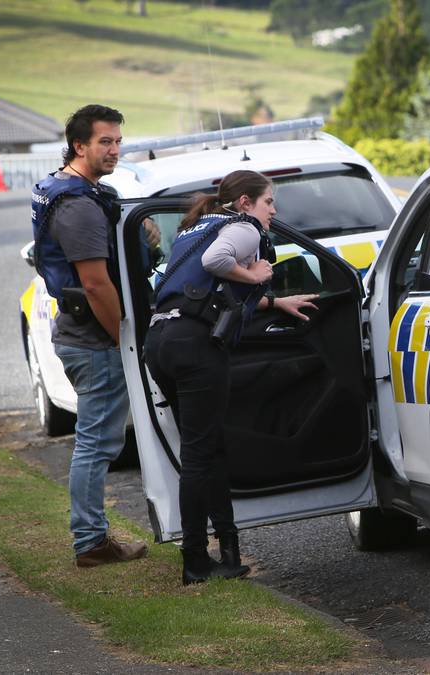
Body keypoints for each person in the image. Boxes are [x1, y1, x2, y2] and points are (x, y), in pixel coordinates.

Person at [142, 170, 317, 585]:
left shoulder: (198, 227)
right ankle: (195, 563)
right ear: (244, 202)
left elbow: (207, 292)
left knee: (207, 446)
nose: (273, 210)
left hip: (161, 341)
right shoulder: (246, 230)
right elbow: (215, 263)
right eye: (268, 202)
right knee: (201, 455)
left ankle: (227, 550)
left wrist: (274, 301)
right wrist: (257, 276)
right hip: (195, 347)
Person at [31, 104, 149, 568]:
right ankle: (91, 542)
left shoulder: (72, 190)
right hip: (92, 339)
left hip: (80, 333)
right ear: (79, 146)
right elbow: (96, 283)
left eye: (118, 140)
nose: (115, 149)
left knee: (95, 439)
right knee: (97, 442)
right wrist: (123, 332)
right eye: (105, 142)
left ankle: (91, 537)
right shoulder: (78, 205)